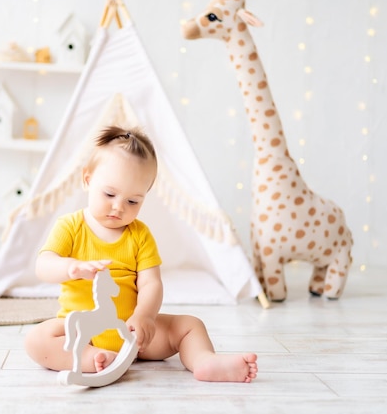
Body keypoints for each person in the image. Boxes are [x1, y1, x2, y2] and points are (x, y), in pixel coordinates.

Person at [24, 125, 258, 383]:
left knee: (190, 325)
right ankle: (94, 357)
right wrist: (71, 268)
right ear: (88, 179)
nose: (118, 207)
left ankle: (204, 361)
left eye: (133, 201)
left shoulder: (140, 235)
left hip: (134, 332)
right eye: (110, 194)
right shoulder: (69, 226)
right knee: (37, 339)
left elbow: (151, 283)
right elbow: (44, 265)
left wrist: (144, 316)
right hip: (83, 331)